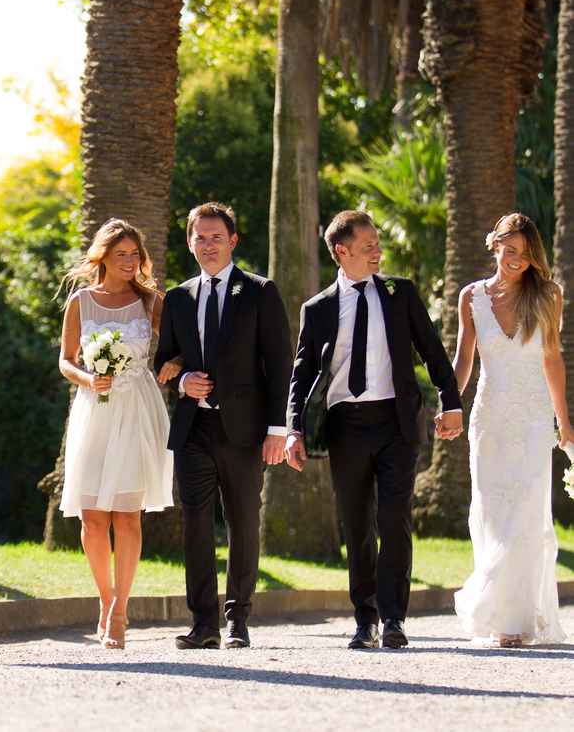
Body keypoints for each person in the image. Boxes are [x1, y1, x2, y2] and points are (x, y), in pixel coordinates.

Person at [285, 210, 462, 650]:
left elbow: (433, 352)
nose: (377, 252)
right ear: (341, 252)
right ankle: (364, 620)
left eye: (378, 243)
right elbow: (301, 373)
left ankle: (394, 618)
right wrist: (293, 430)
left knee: (394, 518)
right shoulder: (319, 308)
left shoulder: (400, 293)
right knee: (358, 523)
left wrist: (451, 401)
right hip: (346, 425)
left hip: (396, 422)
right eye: (368, 247)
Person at [154, 202, 292, 650]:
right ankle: (204, 624)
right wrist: (183, 380)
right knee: (195, 525)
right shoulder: (176, 298)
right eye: (200, 237)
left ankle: (238, 620)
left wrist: (277, 430)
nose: (208, 245)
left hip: (245, 432)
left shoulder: (259, 291)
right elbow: (166, 361)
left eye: (216, 237)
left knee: (242, 523)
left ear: (232, 241)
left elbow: (279, 364)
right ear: (190, 242)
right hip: (194, 430)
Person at [450, 213, 572, 646]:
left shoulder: (548, 295)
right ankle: (501, 608)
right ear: (494, 245)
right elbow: (464, 359)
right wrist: (450, 404)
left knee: (525, 513)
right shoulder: (471, 298)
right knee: (490, 510)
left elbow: (552, 360)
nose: (518, 260)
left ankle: (515, 622)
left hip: (534, 418)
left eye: (526, 253)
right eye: (511, 250)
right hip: (489, 419)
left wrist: (565, 422)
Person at [58, 219, 176, 650]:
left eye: (134, 255)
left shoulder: (151, 302)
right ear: (103, 256)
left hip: (137, 408)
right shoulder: (81, 302)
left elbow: (181, 345)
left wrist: (174, 365)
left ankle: (122, 609)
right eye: (121, 254)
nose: (129, 262)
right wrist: (88, 380)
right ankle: (105, 601)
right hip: (95, 409)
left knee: (127, 514)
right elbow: (66, 360)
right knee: (92, 515)